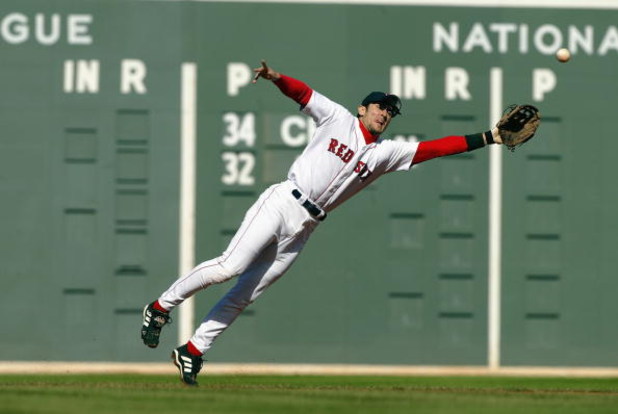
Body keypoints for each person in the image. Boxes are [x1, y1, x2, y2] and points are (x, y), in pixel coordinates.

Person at [141, 60, 504, 386]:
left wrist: (489, 137)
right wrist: (276, 78)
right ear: (364, 108)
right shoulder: (338, 118)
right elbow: (303, 94)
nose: (386, 114)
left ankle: (193, 349)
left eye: (391, 112)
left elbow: (435, 148)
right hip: (284, 201)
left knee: (246, 292)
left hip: (306, 226)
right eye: (381, 106)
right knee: (228, 267)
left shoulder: (385, 153)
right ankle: (160, 307)